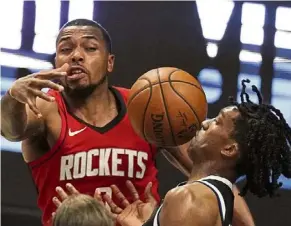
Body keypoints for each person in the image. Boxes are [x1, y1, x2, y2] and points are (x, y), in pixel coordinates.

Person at [1, 18, 252, 225]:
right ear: (56, 61)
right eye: (65, 49)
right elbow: (10, 130)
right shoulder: (46, 109)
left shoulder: (144, 108)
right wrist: (12, 97)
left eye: (89, 48)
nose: (76, 56)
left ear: (110, 62)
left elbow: (210, 174)